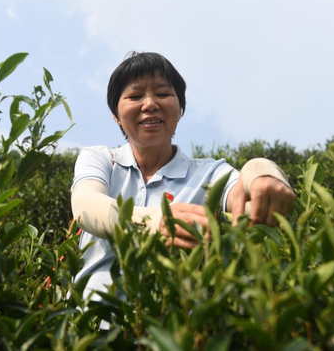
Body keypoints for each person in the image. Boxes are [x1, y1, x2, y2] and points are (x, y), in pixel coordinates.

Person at [71, 52, 295, 300]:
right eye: (135, 96)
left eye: (163, 94)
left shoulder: (209, 173)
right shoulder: (100, 159)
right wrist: (156, 222)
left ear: (180, 109)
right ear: (116, 116)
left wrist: (261, 170)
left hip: (175, 330)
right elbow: (86, 207)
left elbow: (245, 196)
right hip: (90, 324)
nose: (150, 104)